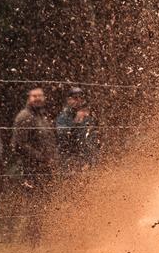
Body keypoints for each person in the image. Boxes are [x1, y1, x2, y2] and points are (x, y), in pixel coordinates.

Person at [10, 85, 56, 240]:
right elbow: (18, 145)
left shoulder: (42, 117)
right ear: (28, 98)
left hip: (45, 167)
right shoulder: (24, 116)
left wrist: (50, 158)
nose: (38, 98)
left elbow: (49, 141)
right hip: (30, 168)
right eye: (34, 96)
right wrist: (40, 157)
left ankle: (40, 235)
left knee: (45, 202)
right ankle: (32, 238)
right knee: (33, 204)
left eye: (40, 96)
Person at [56, 86, 97, 170]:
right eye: (75, 98)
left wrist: (91, 158)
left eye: (80, 97)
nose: (78, 100)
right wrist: (76, 122)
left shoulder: (87, 116)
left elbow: (92, 137)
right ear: (68, 100)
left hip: (87, 159)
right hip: (70, 161)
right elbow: (63, 138)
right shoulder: (63, 117)